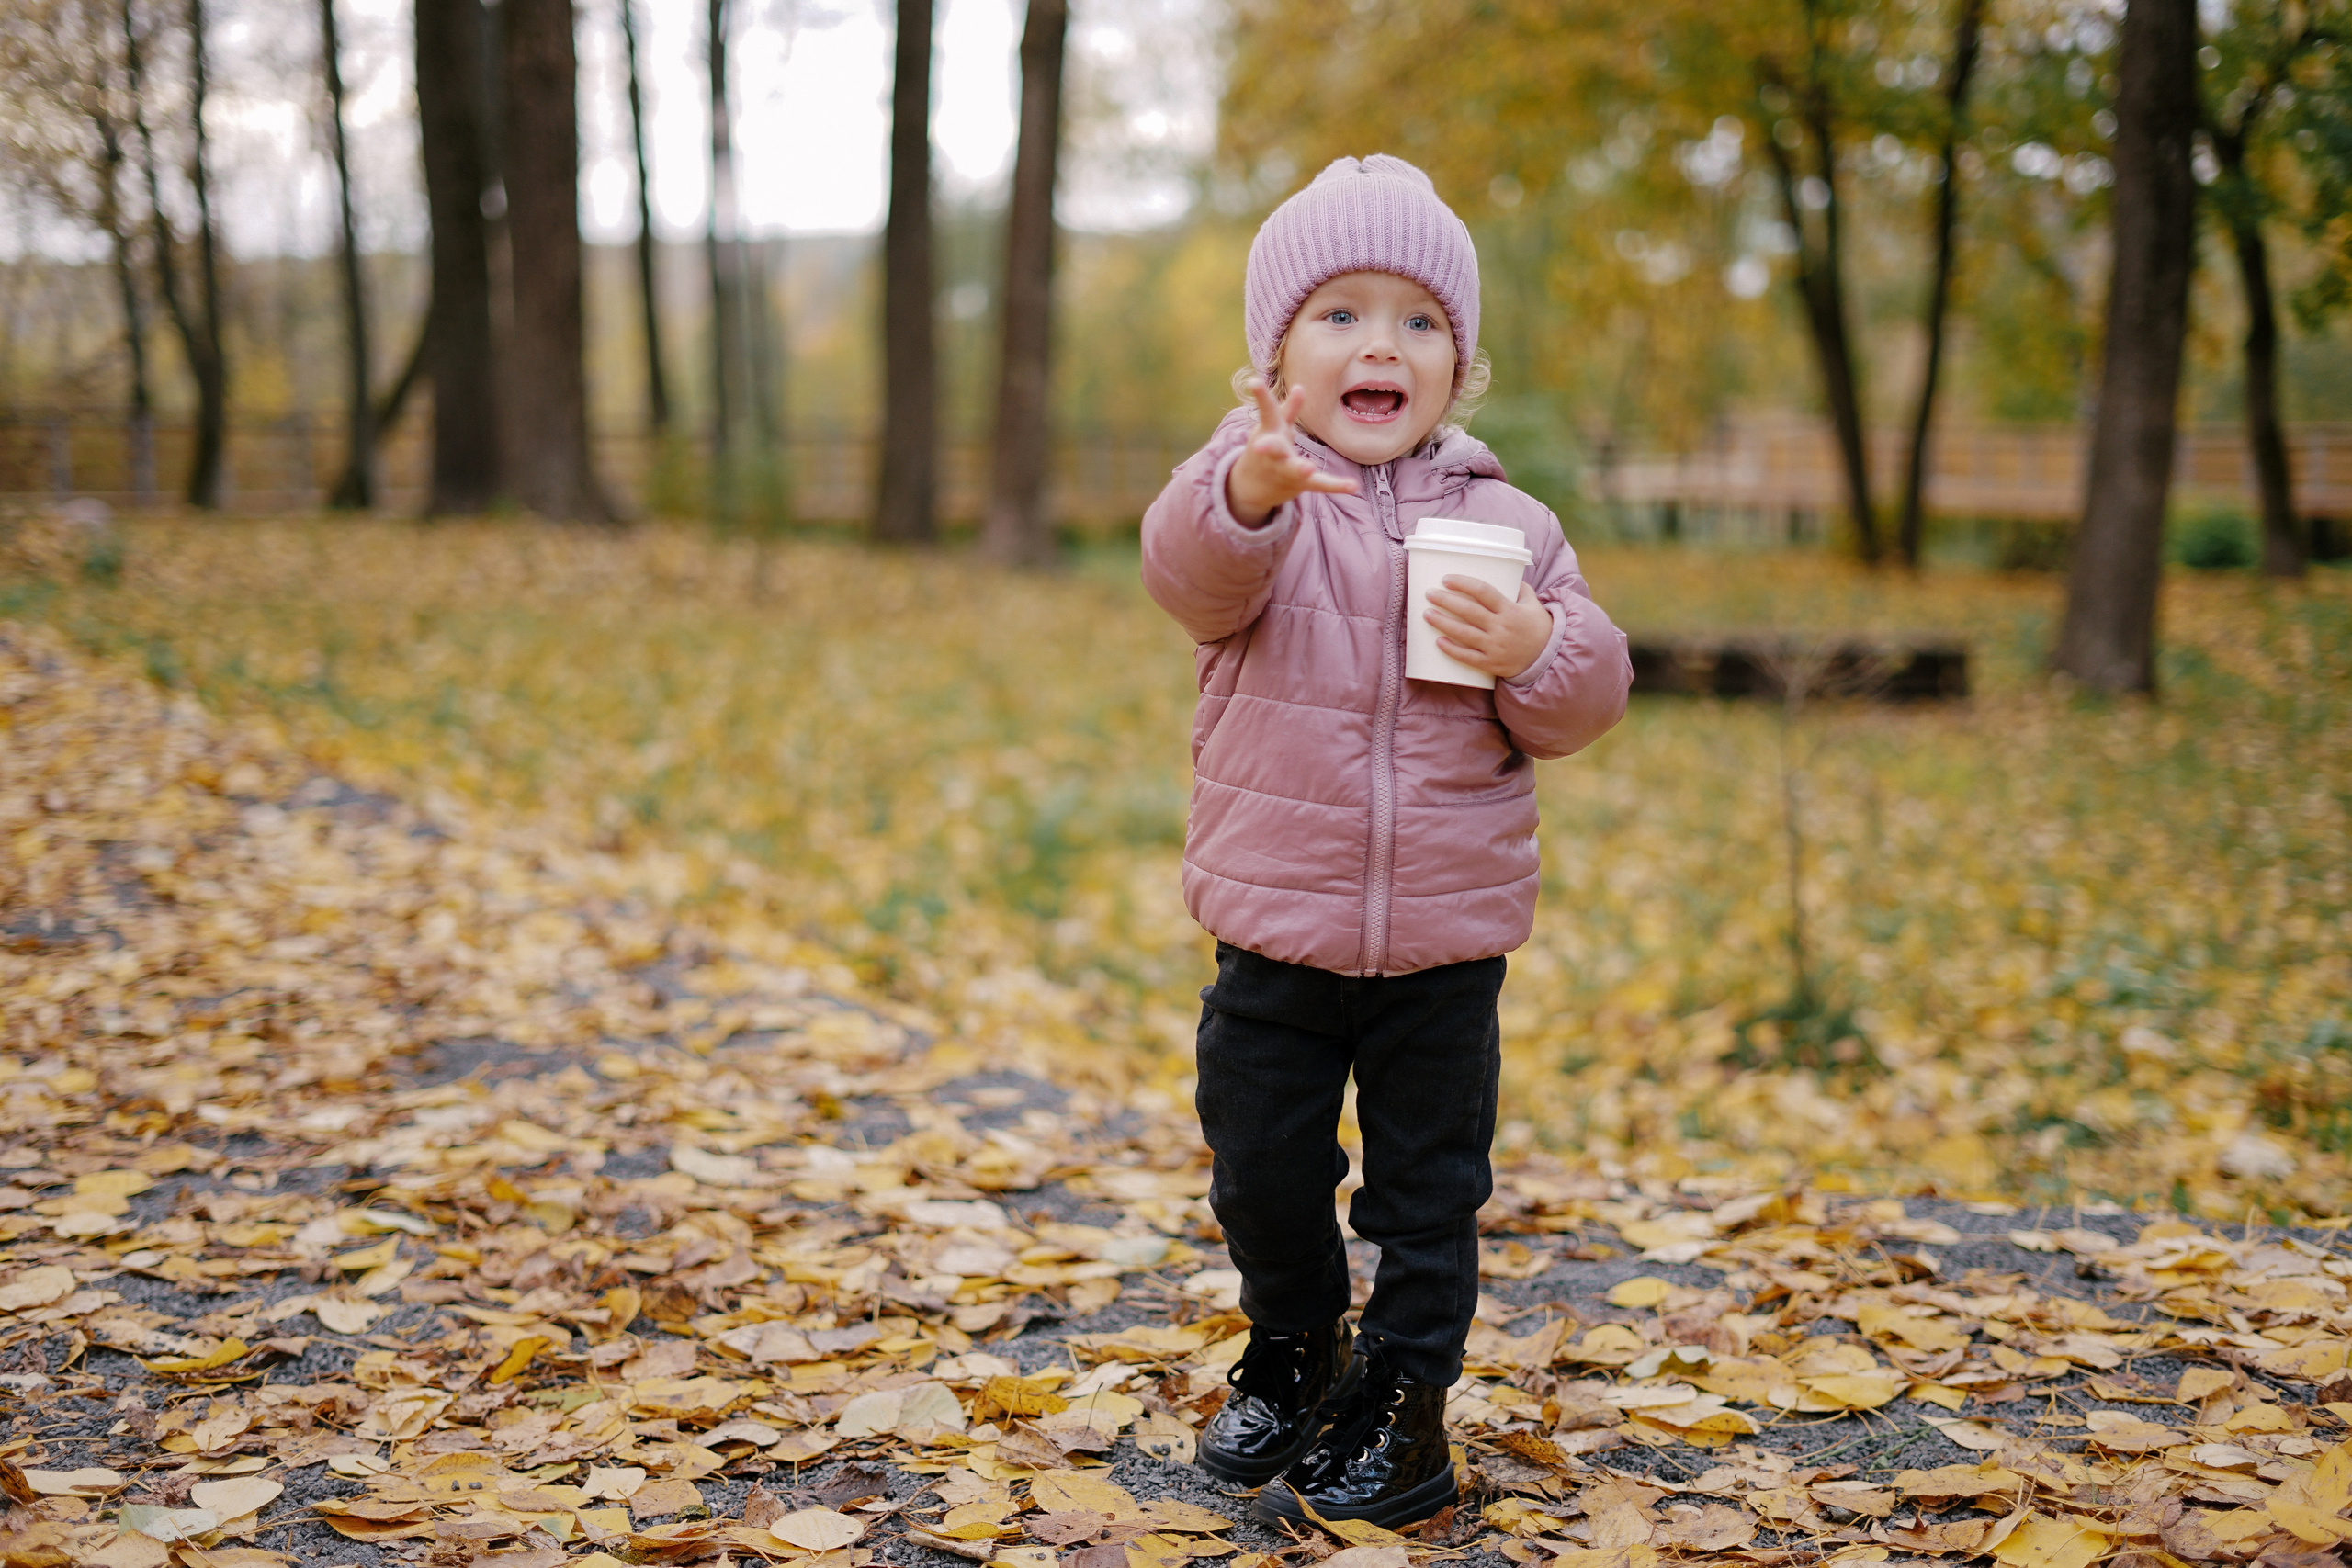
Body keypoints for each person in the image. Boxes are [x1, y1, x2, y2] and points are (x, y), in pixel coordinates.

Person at [1139, 154, 1634, 1530]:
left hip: (1442, 943)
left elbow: (1584, 700)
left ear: (1457, 368)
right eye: (1340, 315)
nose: (1382, 345)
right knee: (1264, 1168)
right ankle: (1298, 1349)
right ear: (1276, 359)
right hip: (1276, 927)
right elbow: (1187, 572)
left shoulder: (1510, 526)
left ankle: (1407, 1402)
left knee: (1428, 1196)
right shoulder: (1254, 493)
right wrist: (1245, 487)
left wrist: (1541, 649)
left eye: (1418, 322)